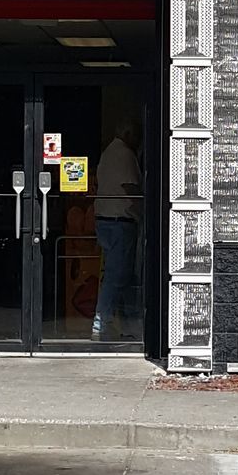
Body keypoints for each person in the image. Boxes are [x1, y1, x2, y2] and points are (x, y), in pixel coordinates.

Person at [92, 114, 142, 340]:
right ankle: (100, 323)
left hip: (104, 220)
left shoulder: (107, 153)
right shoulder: (125, 155)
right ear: (129, 134)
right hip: (120, 222)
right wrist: (144, 214)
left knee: (124, 275)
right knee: (116, 275)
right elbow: (132, 189)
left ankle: (130, 324)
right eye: (136, 135)